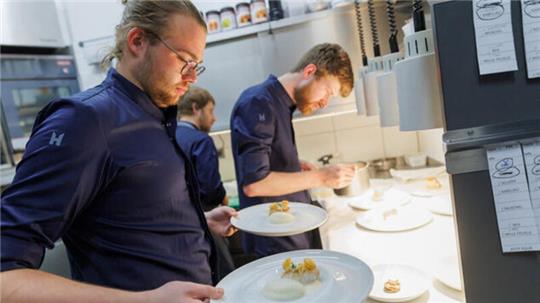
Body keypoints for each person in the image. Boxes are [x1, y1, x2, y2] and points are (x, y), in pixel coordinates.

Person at [0, 1, 236, 302]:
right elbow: (5, 275)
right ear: (137, 41)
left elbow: (132, 211)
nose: (193, 78)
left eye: (197, 65)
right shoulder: (84, 121)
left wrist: (200, 221)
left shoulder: (157, 115)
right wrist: (146, 300)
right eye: (184, 60)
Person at [230, 43, 357, 258]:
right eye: (327, 91)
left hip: (289, 233)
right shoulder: (258, 103)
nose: (325, 103)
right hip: (274, 242)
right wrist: (321, 177)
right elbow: (255, 184)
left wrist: (293, 166)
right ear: (309, 72)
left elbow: (266, 161)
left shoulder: (281, 104)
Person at [175, 86, 235, 279]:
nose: (214, 118)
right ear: (195, 109)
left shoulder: (166, 136)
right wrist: (223, 197)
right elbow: (210, 188)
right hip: (207, 217)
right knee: (224, 277)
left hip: (179, 222)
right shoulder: (200, 140)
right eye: (210, 110)